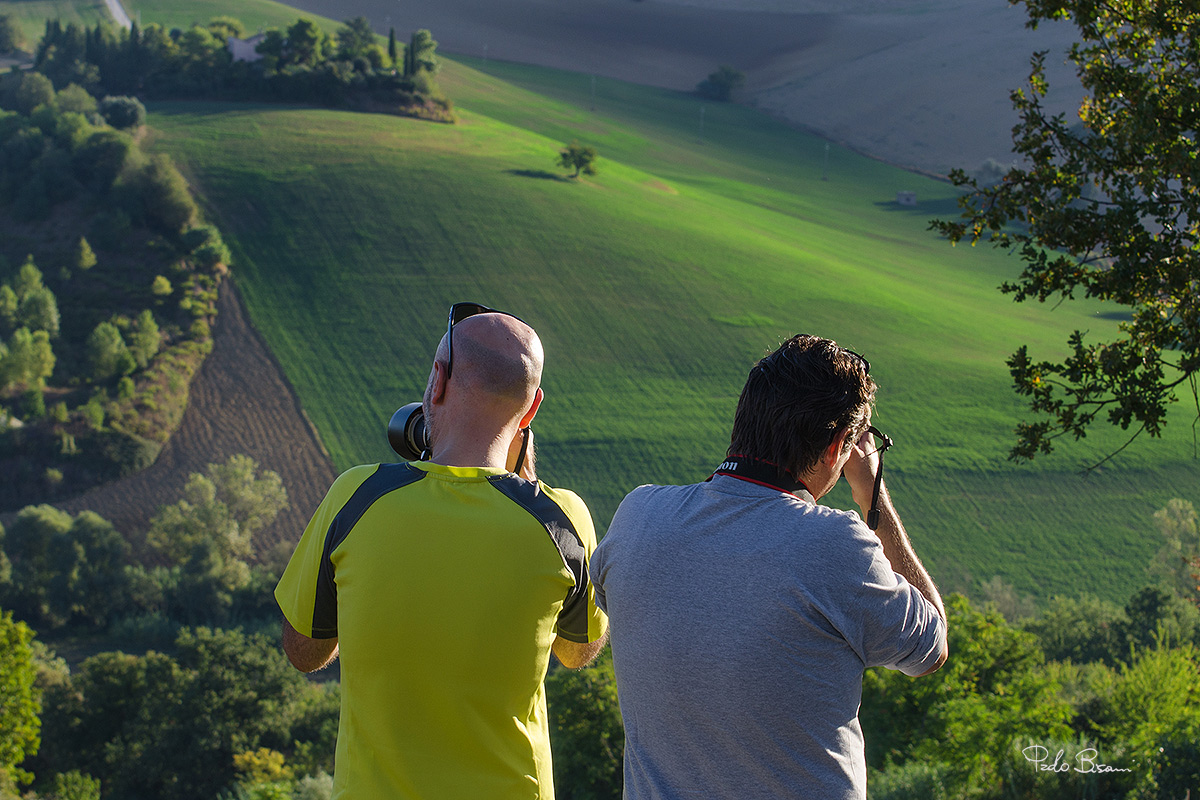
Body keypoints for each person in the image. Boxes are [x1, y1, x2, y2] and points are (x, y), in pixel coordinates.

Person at [590, 333, 948, 800]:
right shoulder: (834, 543)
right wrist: (873, 496)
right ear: (841, 443)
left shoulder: (638, 516)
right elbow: (931, 646)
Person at [275, 303, 609, 800]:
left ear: (437, 382)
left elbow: (305, 652)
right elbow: (577, 651)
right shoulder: (563, 520)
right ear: (531, 408)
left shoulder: (355, 497)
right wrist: (529, 484)